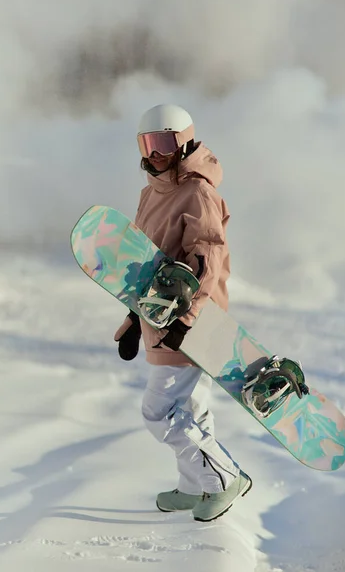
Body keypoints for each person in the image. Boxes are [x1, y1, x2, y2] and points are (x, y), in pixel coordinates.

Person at [114, 104, 251, 522]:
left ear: (184, 140)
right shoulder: (150, 192)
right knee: (191, 411)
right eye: (148, 144)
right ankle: (195, 487)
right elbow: (145, 266)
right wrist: (133, 322)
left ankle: (223, 478)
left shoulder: (198, 192)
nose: (155, 154)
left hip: (188, 322)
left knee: (158, 413)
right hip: (160, 320)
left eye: (164, 144)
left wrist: (186, 321)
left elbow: (206, 259)